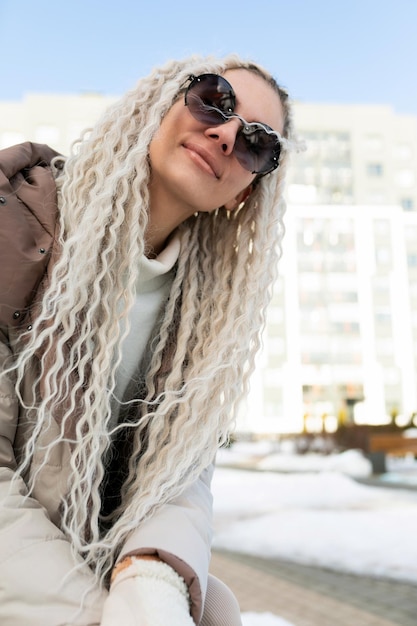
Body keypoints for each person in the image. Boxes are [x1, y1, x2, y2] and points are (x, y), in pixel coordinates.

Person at [0, 54, 299, 626]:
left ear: (244, 194)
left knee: (212, 606)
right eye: (213, 98)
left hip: (82, 561)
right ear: (156, 107)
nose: (227, 132)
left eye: (258, 143)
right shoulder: (14, 229)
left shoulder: (207, 317)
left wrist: (154, 576)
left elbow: (181, 476)